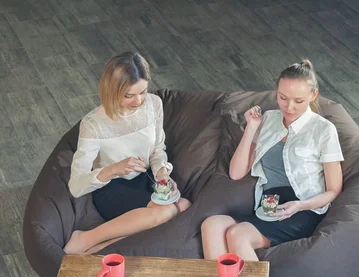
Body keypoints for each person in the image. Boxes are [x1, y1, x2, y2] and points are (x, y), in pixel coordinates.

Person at [201, 60, 344, 261]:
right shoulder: (269, 119)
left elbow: (333, 190)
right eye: (282, 97)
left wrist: (300, 205)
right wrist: (251, 127)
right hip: (267, 207)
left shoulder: (323, 130)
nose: (289, 107)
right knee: (212, 225)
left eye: (298, 100)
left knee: (238, 234)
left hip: (304, 209)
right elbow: (236, 173)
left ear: (313, 95)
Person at [64, 52, 191, 254]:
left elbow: (158, 149)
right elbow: (76, 186)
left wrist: (162, 173)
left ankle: (102, 247)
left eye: (143, 91)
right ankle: (87, 238)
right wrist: (115, 169)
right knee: (167, 212)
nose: (139, 100)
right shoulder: (93, 125)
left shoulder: (154, 104)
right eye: (128, 95)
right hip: (112, 187)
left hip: (146, 178)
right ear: (112, 90)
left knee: (184, 205)